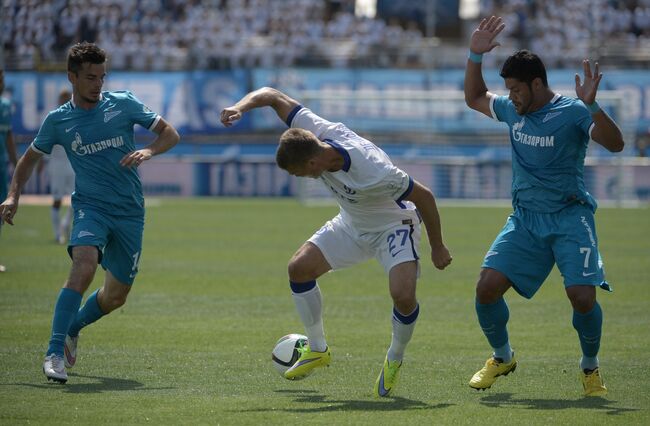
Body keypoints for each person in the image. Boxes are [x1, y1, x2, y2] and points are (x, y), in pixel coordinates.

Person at [221, 87, 452, 397]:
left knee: (403, 295)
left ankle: (395, 356)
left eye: (298, 173)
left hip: (393, 226)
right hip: (351, 222)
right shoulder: (314, 132)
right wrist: (239, 108)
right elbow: (272, 95)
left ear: (313, 165)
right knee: (299, 269)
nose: (299, 178)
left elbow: (424, 196)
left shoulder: (371, 169)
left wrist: (438, 246)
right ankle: (318, 349)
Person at [0, 42, 180, 383]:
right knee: (83, 267)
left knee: (115, 296)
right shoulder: (58, 121)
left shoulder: (123, 103)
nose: (98, 84)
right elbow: (29, 159)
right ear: (72, 77)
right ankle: (53, 353)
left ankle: (74, 327)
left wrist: (148, 151)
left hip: (129, 212)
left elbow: (170, 133)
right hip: (90, 207)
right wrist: (13, 195)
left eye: (102, 76)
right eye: (90, 77)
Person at [463, 16, 624, 397]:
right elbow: (474, 97)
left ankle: (590, 368)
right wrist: (473, 55)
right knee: (486, 288)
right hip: (525, 220)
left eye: (517, 89)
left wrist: (594, 107)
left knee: (582, 297)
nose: (512, 96)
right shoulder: (511, 111)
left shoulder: (572, 112)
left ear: (537, 84)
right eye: (509, 90)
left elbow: (615, 145)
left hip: (570, 215)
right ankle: (502, 357)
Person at [45, 89, 75, 244]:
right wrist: (42, 162)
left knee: (77, 199)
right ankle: (58, 234)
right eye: (62, 98)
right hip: (56, 165)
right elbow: (44, 142)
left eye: (67, 98)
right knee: (57, 200)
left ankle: (66, 224)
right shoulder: (53, 118)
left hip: (73, 164)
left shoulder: (76, 116)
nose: (65, 101)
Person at [0, 68, 18, 272]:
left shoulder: (5, 105)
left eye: (3, 78)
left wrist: (16, 162)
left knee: (1, 209)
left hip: (1, 165)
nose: (1, 82)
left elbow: (9, 136)